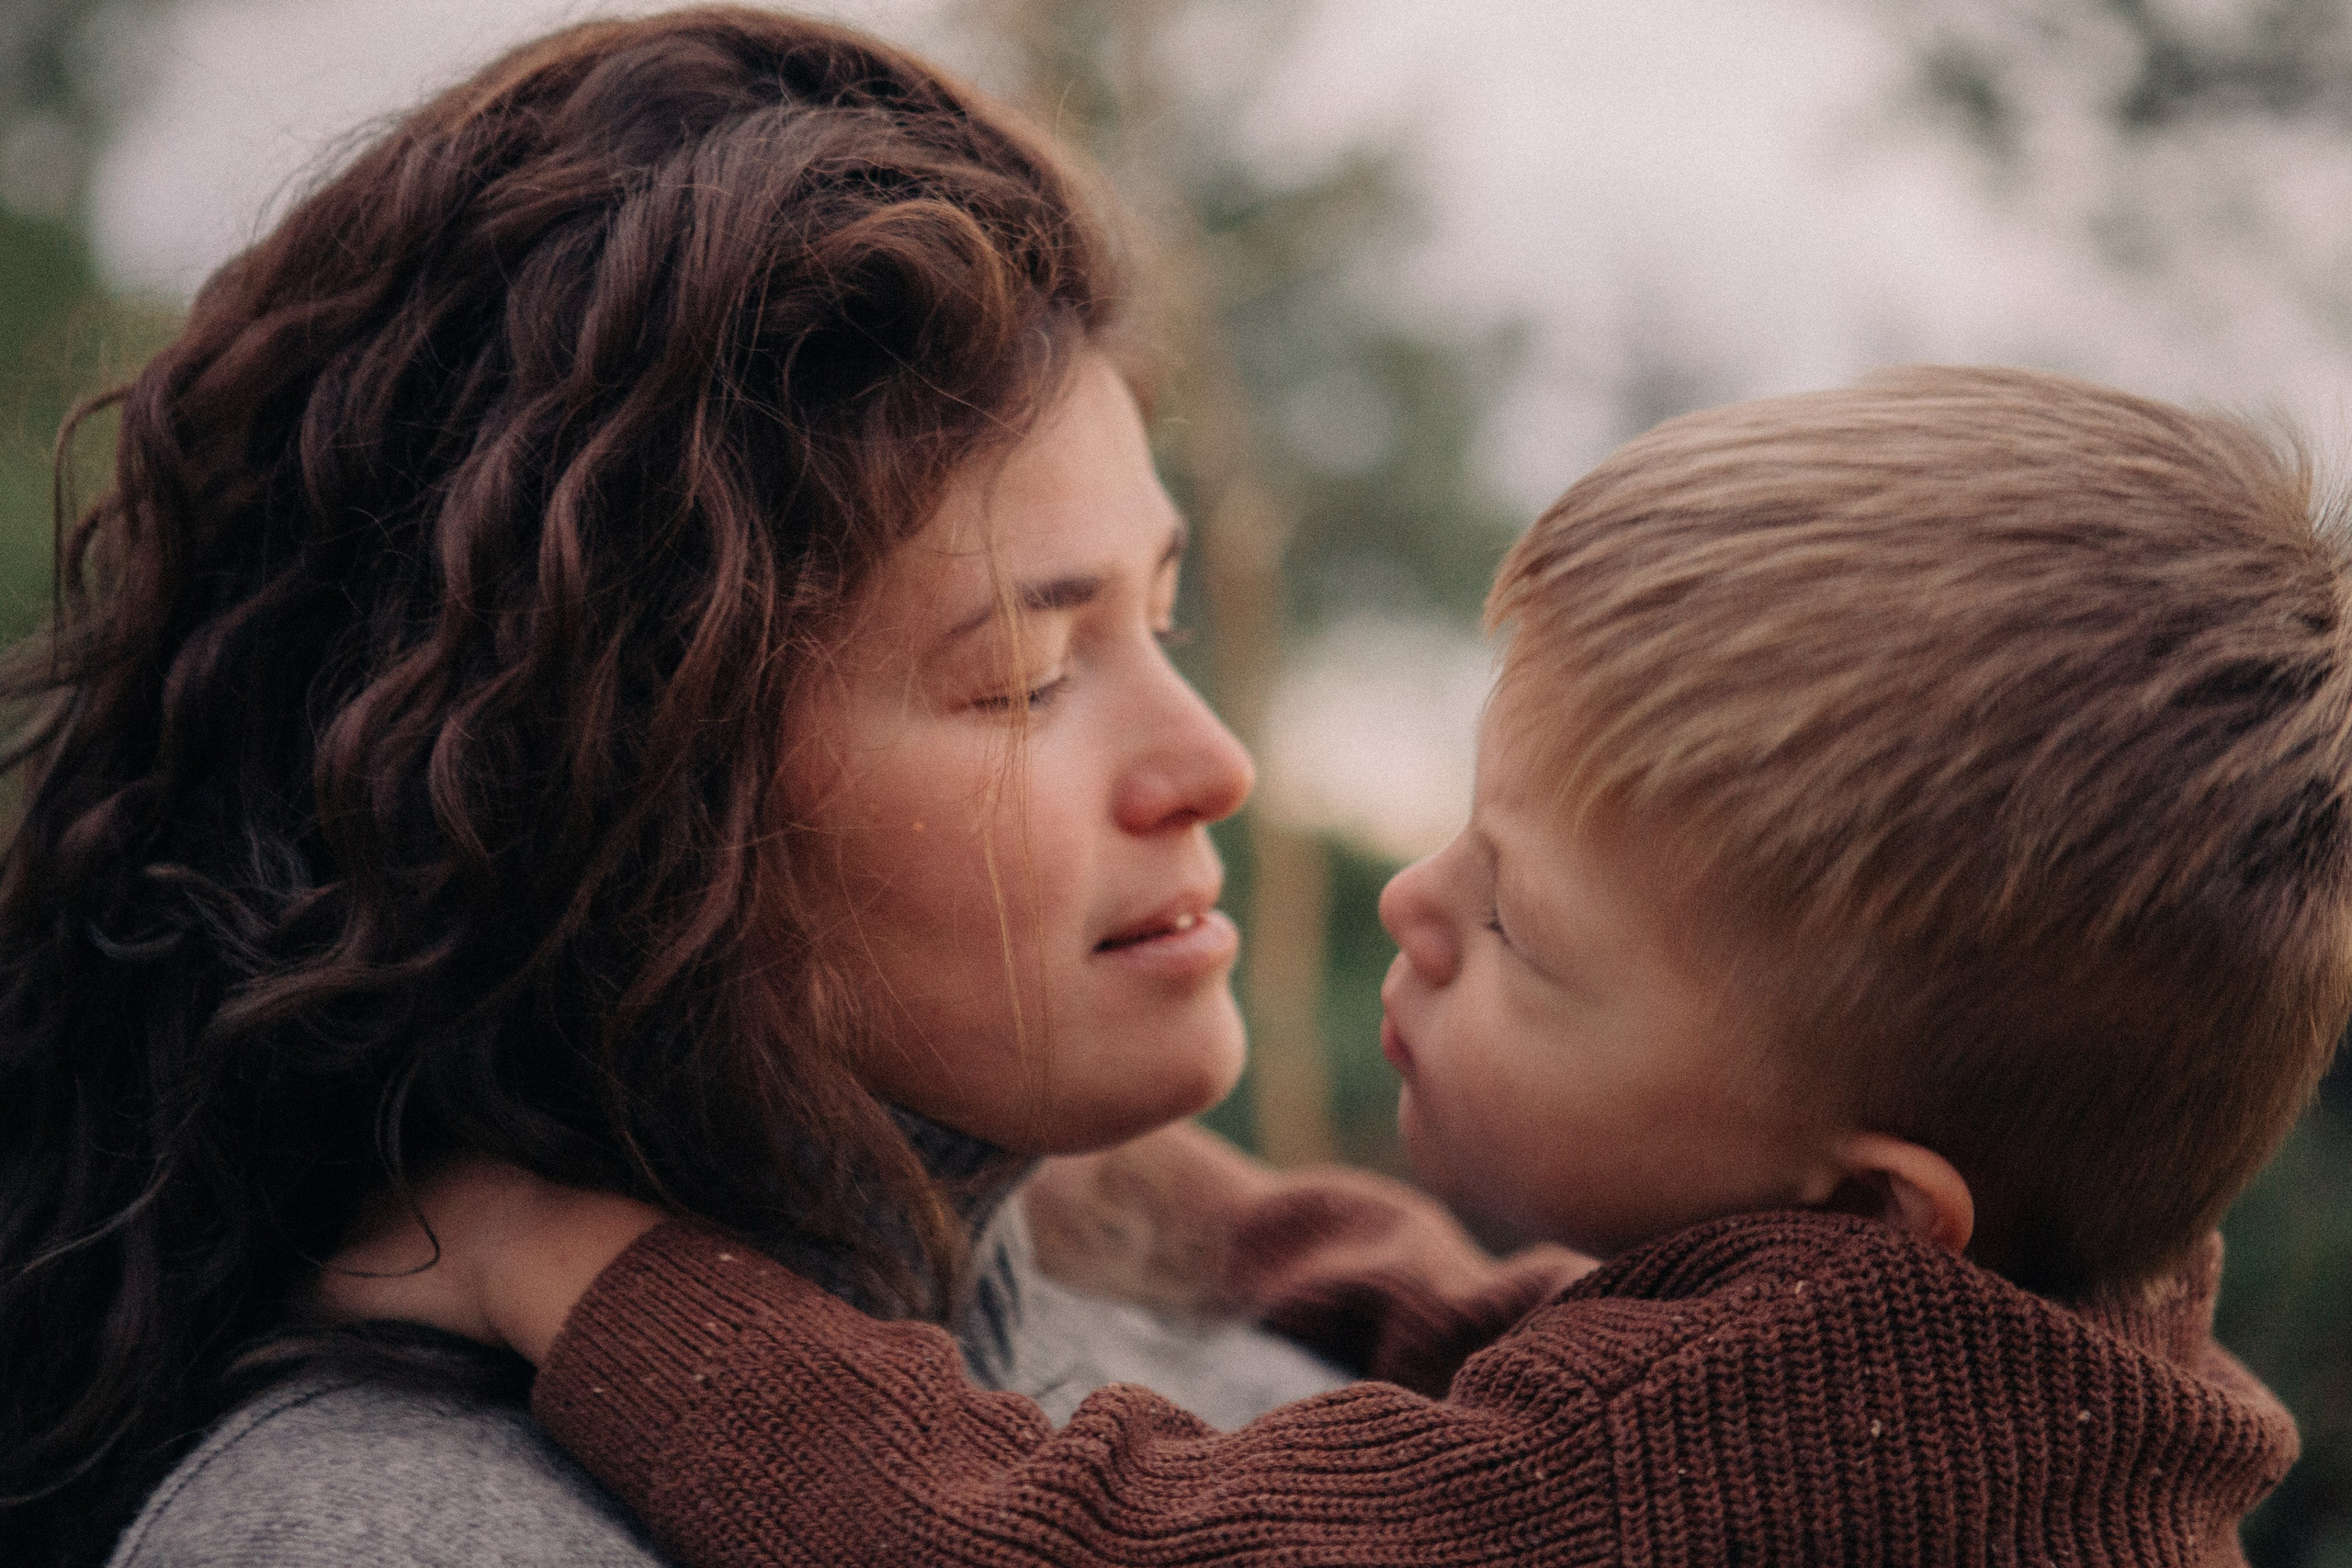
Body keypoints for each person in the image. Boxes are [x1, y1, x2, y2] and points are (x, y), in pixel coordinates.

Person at [0, 12, 1567, 1566]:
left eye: (1162, 621)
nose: (1213, 764)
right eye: (1025, 676)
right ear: (638, 808)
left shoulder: (1309, 1428)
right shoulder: (399, 1537)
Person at [333, 367, 2346, 1564]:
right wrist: (1153, 1191)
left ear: (1857, 1207)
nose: (1409, 896)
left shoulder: (1775, 1439)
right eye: (1467, 821)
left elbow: (1068, 1548)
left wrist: (580, 1269)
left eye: (1518, 927)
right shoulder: (2021, 1324)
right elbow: (1496, 1350)